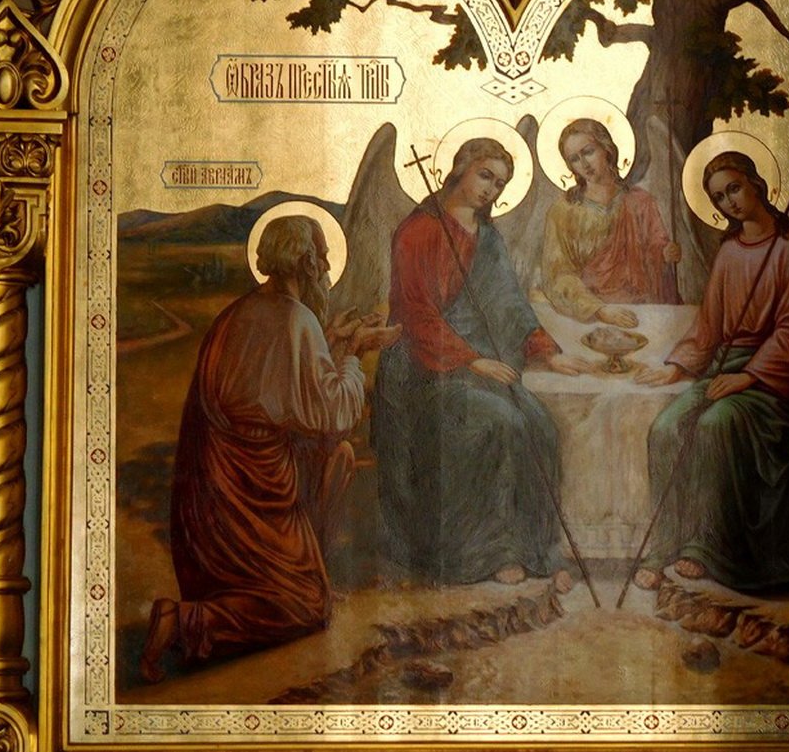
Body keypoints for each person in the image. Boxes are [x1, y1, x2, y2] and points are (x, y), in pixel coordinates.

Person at [139, 215, 400, 683]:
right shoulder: (294, 319)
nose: (326, 268)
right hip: (251, 495)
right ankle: (186, 621)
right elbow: (331, 414)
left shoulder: (239, 313)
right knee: (305, 610)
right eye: (322, 258)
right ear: (305, 262)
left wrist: (332, 340)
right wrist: (354, 353)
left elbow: (281, 382)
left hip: (212, 495)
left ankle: (302, 578)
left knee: (337, 460)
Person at [373, 137, 591, 587]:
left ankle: (535, 549)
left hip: (481, 368)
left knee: (539, 425)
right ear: (460, 169)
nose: (492, 189)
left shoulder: (488, 237)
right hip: (426, 372)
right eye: (485, 176)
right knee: (499, 423)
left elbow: (510, 304)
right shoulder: (418, 231)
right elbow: (416, 314)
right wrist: (471, 360)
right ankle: (487, 553)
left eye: (501, 183)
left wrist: (545, 351)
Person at [632, 151, 789, 591]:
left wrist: (750, 376)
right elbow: (709, 323)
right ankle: (666, 542)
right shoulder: (729, 252)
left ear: (755, 184)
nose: (729, 202)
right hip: (725, 367)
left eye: (734, 189)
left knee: (715, 425)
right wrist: (679, 366)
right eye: (719, 198)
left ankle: (706, 546)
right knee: (666, 429)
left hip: (777, 379)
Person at [541, 118, 681, 328]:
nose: (584, 164)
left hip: (641, 312)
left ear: (606, 148)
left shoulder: (640, 202)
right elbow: (558, 276)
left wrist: (665, 253)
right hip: (590, 318)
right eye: (574, 159)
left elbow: (655, 251)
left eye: (588, 152)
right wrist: (599, 310)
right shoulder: (563, 211)